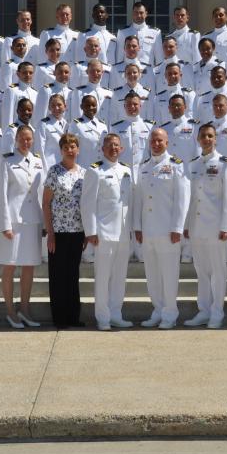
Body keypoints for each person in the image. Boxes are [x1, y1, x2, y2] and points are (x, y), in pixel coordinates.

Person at [133, 128, 190, 329]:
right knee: (153, 274)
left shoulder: (176, 165)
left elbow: (182, 199)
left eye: (159, 141)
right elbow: (139, 199)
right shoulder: (144, 167)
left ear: (167, 143)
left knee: (169, 273)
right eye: (153, 141)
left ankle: (170, 314)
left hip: (168, 231)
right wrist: (137, 227)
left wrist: (178, 227)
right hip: (148, 230)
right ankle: (157, 310)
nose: (156, 144)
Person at [183, 123, 227, 328]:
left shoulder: (225, 163)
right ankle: (203, 310)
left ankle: (217, 312)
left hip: (216, 227)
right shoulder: (194, 164)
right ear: (198, 140)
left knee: (217, 272)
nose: (206, 139)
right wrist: (188, 225)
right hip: (197, 226)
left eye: (210, 136)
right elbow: (190, 199)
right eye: (203, 136)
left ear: (216, 139)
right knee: (202, 271)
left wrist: (226, 227)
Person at [81, 133, 135, 330]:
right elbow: (87, 204)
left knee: (119, 277)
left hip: (123, 233)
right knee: (103, 277)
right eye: (109, 145)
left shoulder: (126, 171)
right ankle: (102, 317)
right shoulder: (95, 171)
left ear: (121, 149)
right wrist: (91, 231)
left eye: (117, 145)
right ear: (102, 149)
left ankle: (116, 314)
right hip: (103, 233)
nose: (113, 148)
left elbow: (130, 202)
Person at [0, 125, 45, 329]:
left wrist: (44, 221)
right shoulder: (7, 161)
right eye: (22, 139)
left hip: (32, 220)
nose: (26, 142)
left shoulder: (37, 161)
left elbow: (41, 192)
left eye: (29, 139)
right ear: (16, 139)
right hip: (13, 222)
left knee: (28, 267)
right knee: (9, 266)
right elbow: (2, 196)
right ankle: (10, 311)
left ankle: (24, 309)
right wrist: (5, 225)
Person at [42, 133, 87, 328]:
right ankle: (60, 318)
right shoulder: (54, 172)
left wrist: (87, 231)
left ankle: (73, 317)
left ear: (78, 149)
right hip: (58, 233)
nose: (70, 150)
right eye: (66, 147)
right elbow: (45, 203)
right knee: (58, 276)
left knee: (73, 275)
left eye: (73, 147)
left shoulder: (84, 173)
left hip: (77, 232)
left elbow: (86, 205)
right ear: (61, 150)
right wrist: (50, 233)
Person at [116, 1, 164, 66]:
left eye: (141, 13)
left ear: (146, 14)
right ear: (132, 14)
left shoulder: (155, 33)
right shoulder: (123, 32)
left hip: (147, 73)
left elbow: (159, 59)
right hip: (128, 73)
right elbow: (119, 58)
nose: (138, 15)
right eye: (136, 13)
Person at [36, 94, 69, 171]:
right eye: (53, 106)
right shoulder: (43, 124)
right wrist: (43, 170)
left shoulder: (67, 124)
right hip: (49, 166)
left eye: (59, 105)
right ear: (49, 108)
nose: (56, 108)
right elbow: (39, 149)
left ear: (65, 106)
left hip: (65, 166)